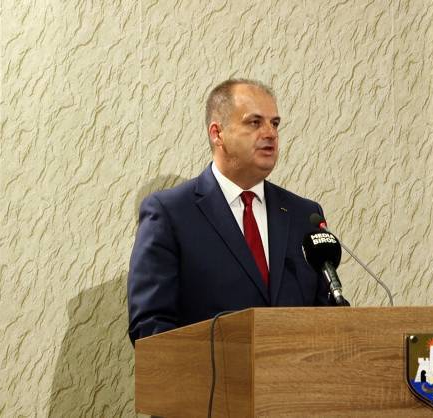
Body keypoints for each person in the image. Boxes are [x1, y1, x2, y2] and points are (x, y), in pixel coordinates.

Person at [127, 79, 330, 344]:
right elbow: (150, 326)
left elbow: (329, 314)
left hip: (295, 370)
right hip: (209, 371)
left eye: (275, 123)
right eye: (255, 122)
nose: (270, 133)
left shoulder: (305, 215)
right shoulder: (170, 213)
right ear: (217, 133)